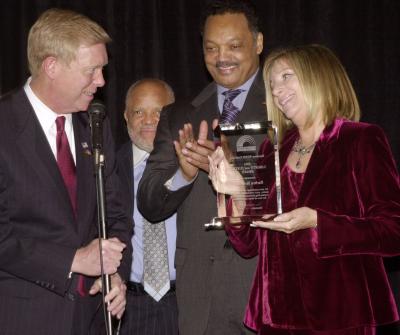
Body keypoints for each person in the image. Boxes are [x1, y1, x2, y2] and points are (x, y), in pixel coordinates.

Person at [208, 44, 400, 334]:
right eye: (272, 84)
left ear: (319, 75)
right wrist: (236, 193)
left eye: (286, 76)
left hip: (343, 316)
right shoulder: (272, 149)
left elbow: (393, 231)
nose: (277, 90)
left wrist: (318, 221)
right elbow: (248, 245)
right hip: (278, 319)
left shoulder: (360, 140)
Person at [0, 8, 132, 335]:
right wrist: (72, 260)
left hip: (91, 319)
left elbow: (116, 214)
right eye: (92, 70)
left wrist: (114, 272)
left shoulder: (95, 126)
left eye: (102, 70)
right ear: (52, 66)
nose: (101, 81)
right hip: (20, 318)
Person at [138, 0, 265, 334]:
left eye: (234, 46)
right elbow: (150, 204)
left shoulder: (285, 107)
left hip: (264, 288)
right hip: (200, 297)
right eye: (211, 48)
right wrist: (185, 174)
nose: (222, 57)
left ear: (259, 43)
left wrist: (235, 174)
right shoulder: (179, 115)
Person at [116, 78, 178, 334]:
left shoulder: (196, 161)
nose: (150, 120)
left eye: (159, 111)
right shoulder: (105, 167)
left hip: (188, 300)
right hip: (130, 305)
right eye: (139, 112)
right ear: (126, 117)